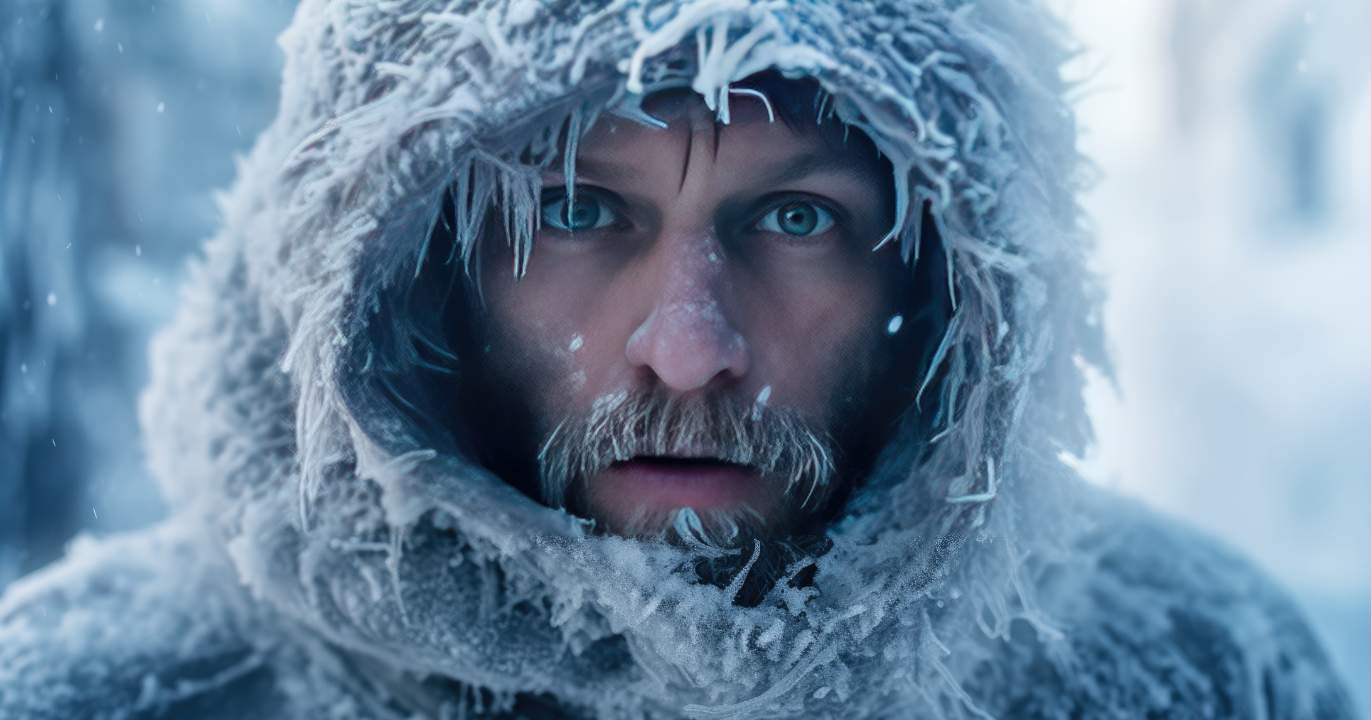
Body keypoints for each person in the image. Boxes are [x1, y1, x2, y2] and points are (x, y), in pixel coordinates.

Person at [0, 1, 1356, 718]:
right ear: (408, 269)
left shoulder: (1180, 675)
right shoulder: (106, 698)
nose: (693, 349)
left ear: (945, 282)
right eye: (578, 213)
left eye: (799, 218)